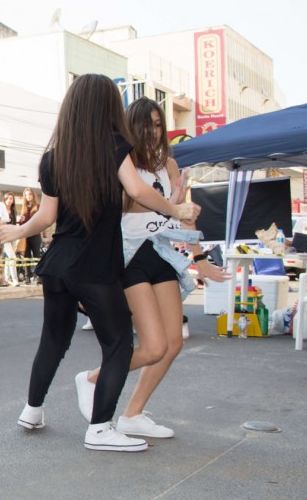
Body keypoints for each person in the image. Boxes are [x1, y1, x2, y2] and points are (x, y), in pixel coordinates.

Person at [0, 74, 198, 453]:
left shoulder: (53, 158)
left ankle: (32, 410)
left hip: (57, 264)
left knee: (53, 341)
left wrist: (17, 230)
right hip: (94, 266)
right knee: (118, 344)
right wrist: (175, 209)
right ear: (108, 107)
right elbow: (136, 190)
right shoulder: (115, 147)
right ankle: (100, 428)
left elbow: (46, 216)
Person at [76, 97, 228, 438]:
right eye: (147, 124)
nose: (154, 131)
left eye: (159, 125)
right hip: (129, 257)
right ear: (132, 127)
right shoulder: (122, 161)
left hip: (160, 253)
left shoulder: (169, 166)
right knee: (153, 346)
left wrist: (200, 259)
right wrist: (170, 204)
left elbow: (181, 217)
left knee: (173, 344)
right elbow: (127, 203)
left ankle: (132, 414)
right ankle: (91, 379)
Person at [19, 187, 42, 283]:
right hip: (25, 235)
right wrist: (20, 221)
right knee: (26, 256)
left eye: (30, 194)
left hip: (35, 233)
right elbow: (22, 222)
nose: (28, 196)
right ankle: (27, 277)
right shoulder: (24, 208)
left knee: (37, 255)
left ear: (33, 195)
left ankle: (39, 276)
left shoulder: (38, 206)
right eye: (26, 195)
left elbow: (39, 220)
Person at [3, 191, 21, 286]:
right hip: (4, 236)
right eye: (7, 198)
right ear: (4, 200)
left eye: (11, 198)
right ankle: (15, 280)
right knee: (12, 257)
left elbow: (14, 224)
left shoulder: (14, 210)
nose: (9, 200)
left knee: (8, 259)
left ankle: (7, 278)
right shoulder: (2, 209)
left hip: (13, 236)